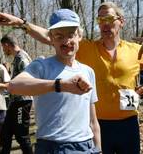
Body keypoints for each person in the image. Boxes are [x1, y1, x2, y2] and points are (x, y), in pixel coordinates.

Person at [0, 2, 143, 154]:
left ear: (121, 22)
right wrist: (22, 23)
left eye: (109, 18)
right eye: (101, 20)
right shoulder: (86, 47)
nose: (105, 24)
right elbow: (52, 36)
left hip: (128, 122)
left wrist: (140, 90)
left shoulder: (135, 50)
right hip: (98, 124)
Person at [7, 9, 101, 154]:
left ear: (79, 36)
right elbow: (13, 86)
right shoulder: (42, 66)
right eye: (59, 36)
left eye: (71, 35)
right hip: (53, 146)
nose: (66, 41)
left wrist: (98, 148)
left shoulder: (88, 71)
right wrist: (59, 85)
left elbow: (93, 120)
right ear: (51, 38)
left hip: (86, 146)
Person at [0, 35, 33, 154]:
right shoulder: (17, 58)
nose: (4, 50)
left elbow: (29, 79)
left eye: (4, 47)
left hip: (23, 101)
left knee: (21, 135)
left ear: (7, 45)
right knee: (5, 133)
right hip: (15, 102)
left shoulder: (22, 58)